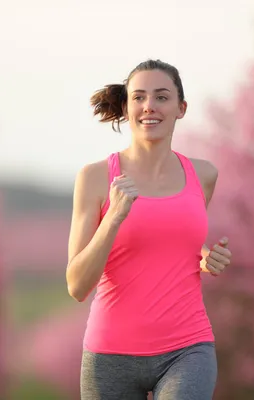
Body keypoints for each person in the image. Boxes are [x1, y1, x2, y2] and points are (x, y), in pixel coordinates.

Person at [66, 59, 232, 400]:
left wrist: (204, 257)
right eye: (139, 97)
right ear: (126, 108)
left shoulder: (204, 175)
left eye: (161, 97)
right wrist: (113, 217)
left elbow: (173, 239)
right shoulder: (95, 177)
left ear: (180, 108)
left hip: (188, 348)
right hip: (110, 355)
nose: (149, 107)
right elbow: (77, 285)